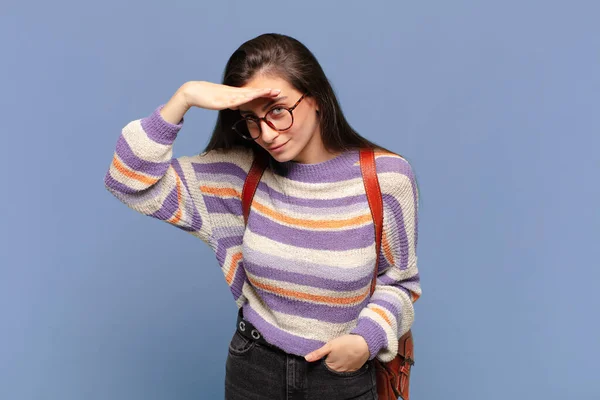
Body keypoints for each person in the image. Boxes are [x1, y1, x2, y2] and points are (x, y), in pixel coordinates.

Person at [104, 33, 421, 400]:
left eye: (276, 111)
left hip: (341, 380)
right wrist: (183, 99)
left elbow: (400, 283)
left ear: (315, 99)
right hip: (254, 371)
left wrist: (365, 341)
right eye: (250, 119)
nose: (266, 134)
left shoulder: (385, 178)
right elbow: (127, 181)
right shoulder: (240, 175)